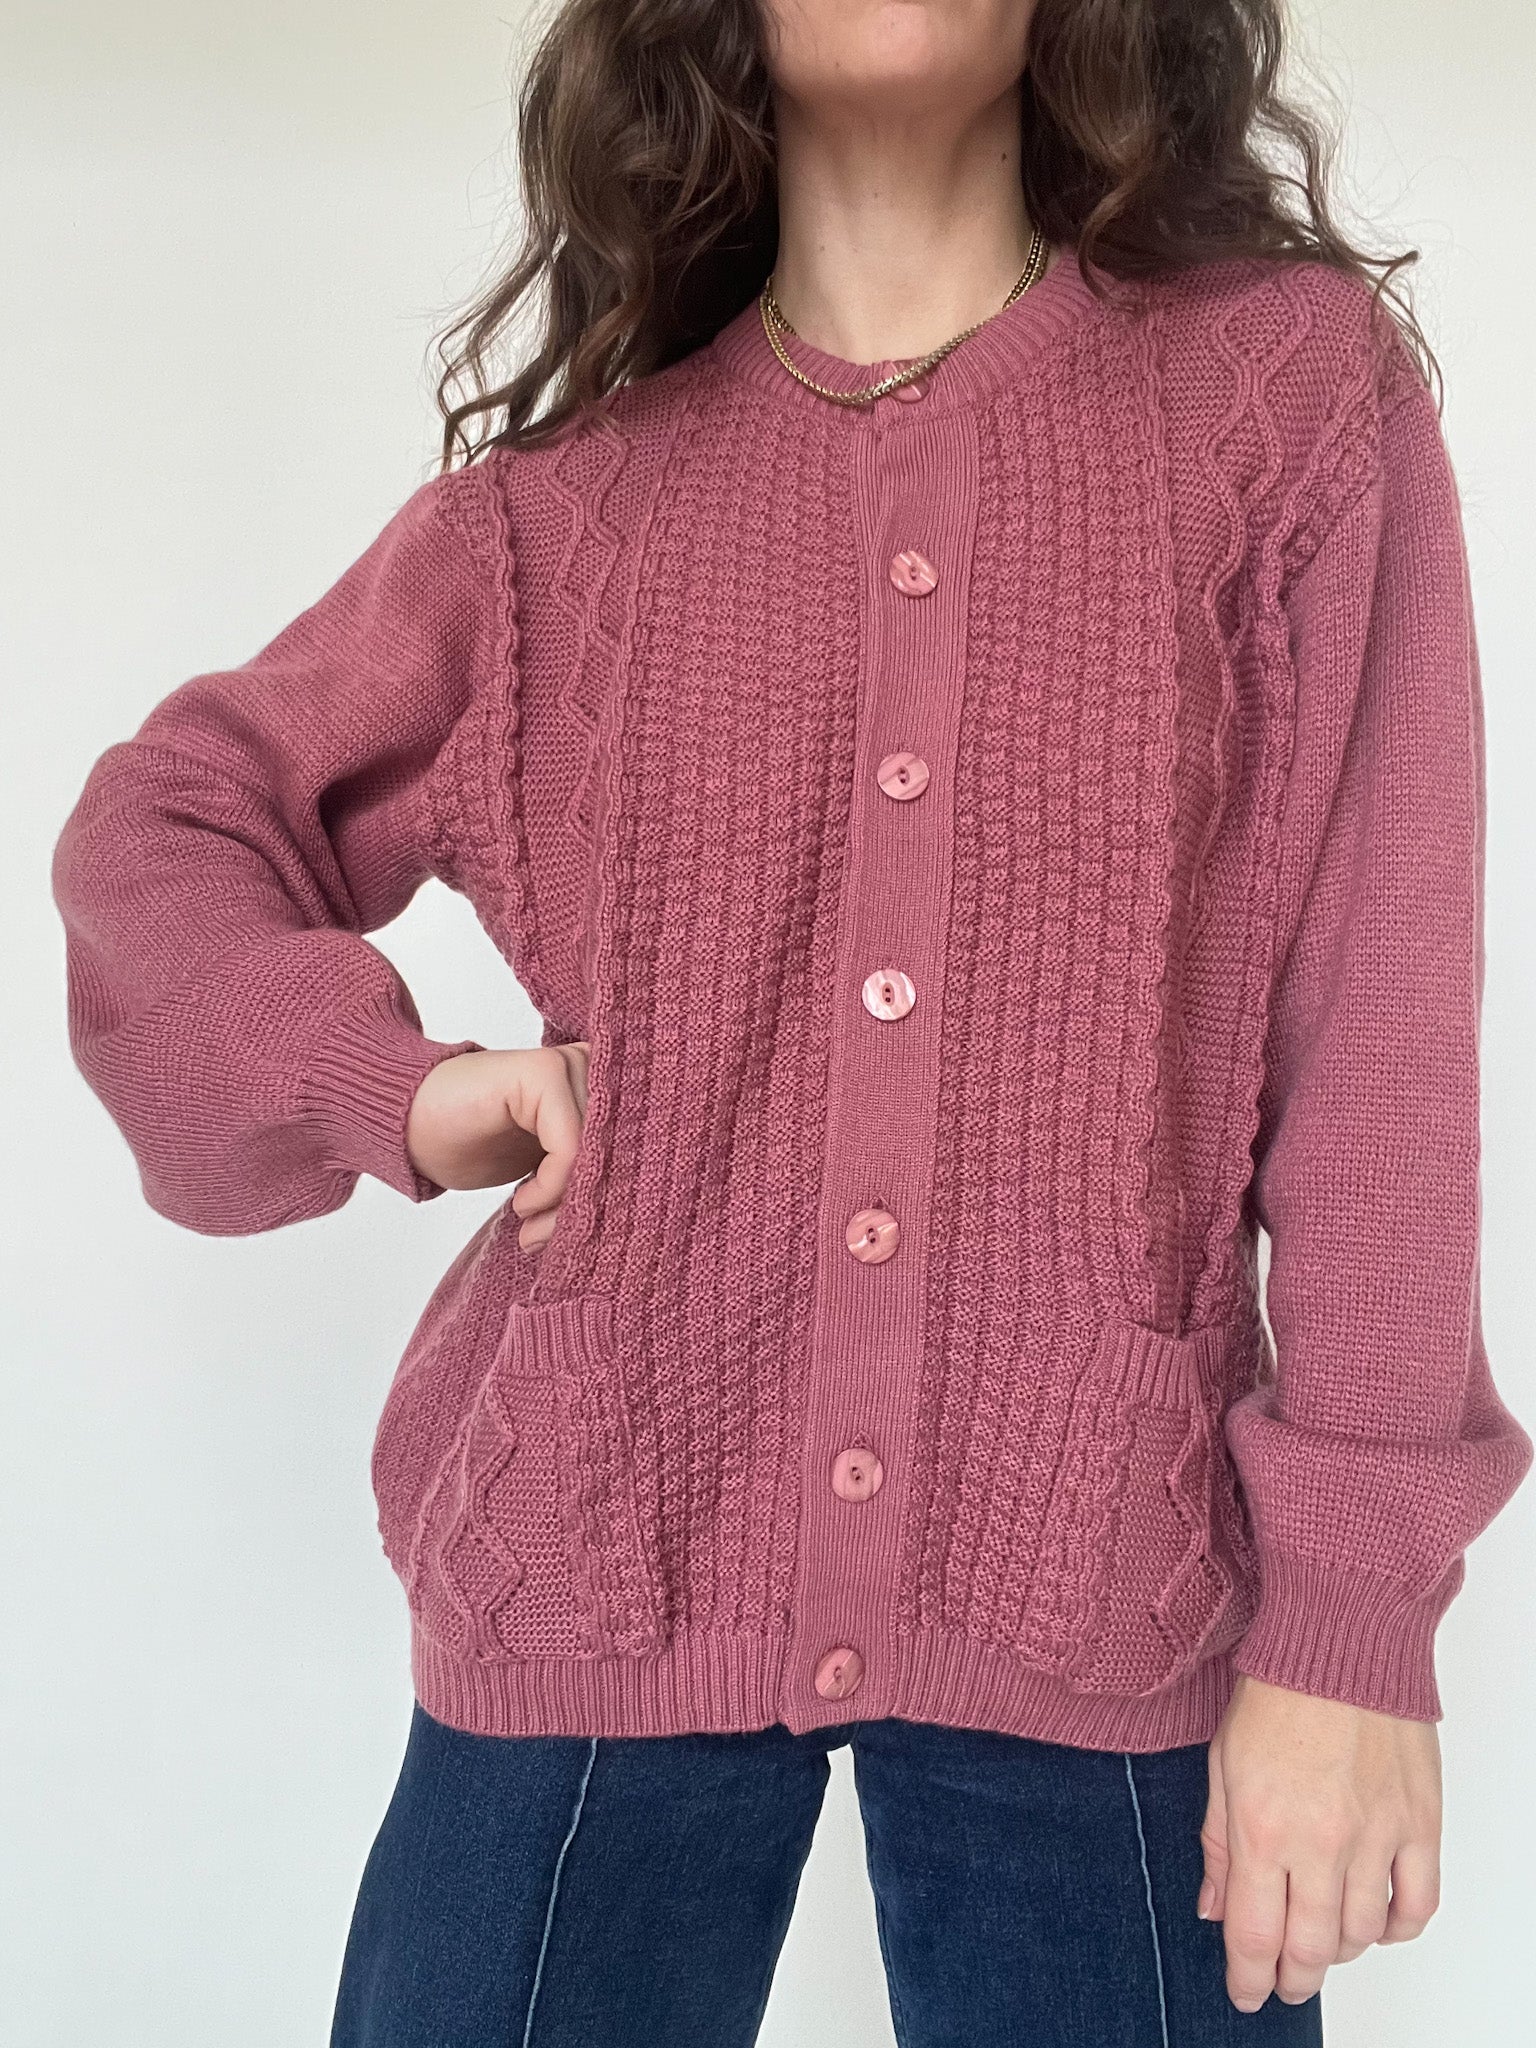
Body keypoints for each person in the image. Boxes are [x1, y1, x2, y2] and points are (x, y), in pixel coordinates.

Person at [51, 2, 1533, 2043]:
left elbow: (1378, 1048)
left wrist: (1351, 1633)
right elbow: (168, 830)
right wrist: (402, 1090)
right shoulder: (563, 519)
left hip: (1105, 1570)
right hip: (599, 1532)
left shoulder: (1277, 402)